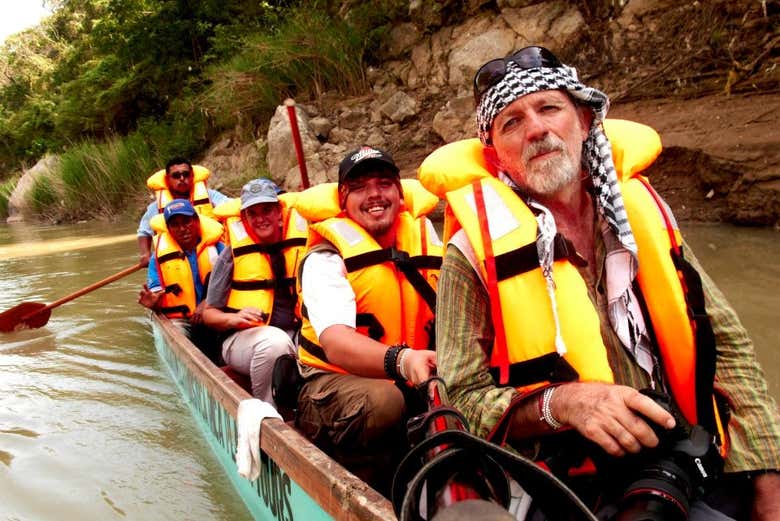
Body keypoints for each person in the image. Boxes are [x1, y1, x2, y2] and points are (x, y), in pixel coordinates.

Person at [420, 46, 780, 519]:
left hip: (681, 460)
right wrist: (565, 403)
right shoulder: (468, 255)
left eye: (549, 107)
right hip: (561, 484)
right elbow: (462, 400)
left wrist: (767, 473)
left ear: (585, 121)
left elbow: (730, 349)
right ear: (496, 156)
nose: (537, 129)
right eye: (512, 122)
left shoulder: (646, 216)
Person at [293, 146, 441, 492]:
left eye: (384, 184)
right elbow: (336, 343)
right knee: (386, 402)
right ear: (343, 201)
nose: (374, 195)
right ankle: (365, 487)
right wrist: (403, 361)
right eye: (358, 187)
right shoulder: (325, 259)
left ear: (401, 196)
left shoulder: (425, 238)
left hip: (412, 370)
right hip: (332, 381)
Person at [201, 179, 307, 408]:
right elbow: (209, 314)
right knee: (275, 343)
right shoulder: (230, 255)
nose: (260, 219)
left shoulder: (305, 244)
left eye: (267, 210)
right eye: (253, 213)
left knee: (321, 340)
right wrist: (233, 318)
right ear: (245, 219)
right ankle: (267, 413)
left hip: (296, 332)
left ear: (279, 212)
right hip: (243, 341)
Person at [138, 199, 225, 364]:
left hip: (214, 310)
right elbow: (157, 292)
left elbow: (230, 285)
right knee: (176, 332)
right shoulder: (158, 258)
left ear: (196, 221)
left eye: (186, 221)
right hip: (182, 319)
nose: (182, 229)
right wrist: (153, 303)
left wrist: (207, 303)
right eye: (175, 225)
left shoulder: (219, 249)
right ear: (169, 229)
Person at [137, 157, 229, 267]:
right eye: (176, 176)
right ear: (167, 179)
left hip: (212, 253)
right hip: (177, 259)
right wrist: (145, 254)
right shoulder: (156, 207)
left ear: (192, 176)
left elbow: (235, 209)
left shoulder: (211, 197)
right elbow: (144, 232)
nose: (182, 178)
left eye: (186, 174)